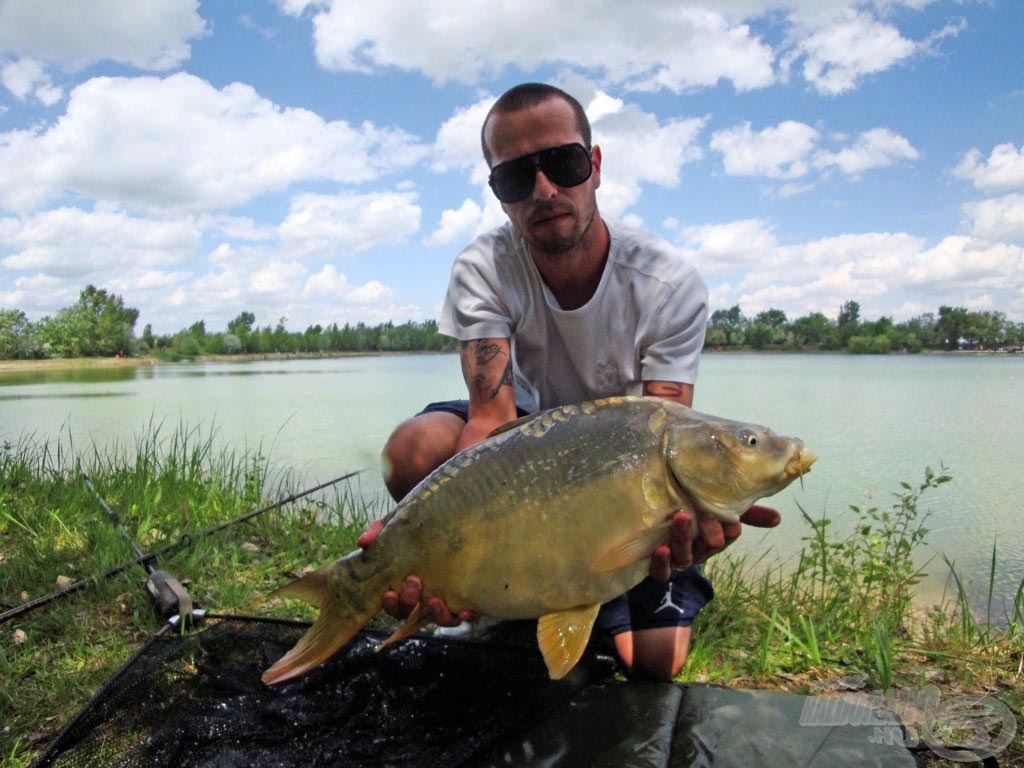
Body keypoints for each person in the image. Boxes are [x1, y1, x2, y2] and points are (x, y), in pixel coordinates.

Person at [363, 82, 779, 680]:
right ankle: (493, 588)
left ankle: (583, 592)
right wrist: (416, 532)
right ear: (498, 195)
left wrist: (699, 514)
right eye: (515, 178)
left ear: (596, 165)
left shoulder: (666, 284)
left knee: (655, 664)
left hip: (624, 469)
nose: (544, 190)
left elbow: (663, 434)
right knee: (414, 450)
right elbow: (491, 422)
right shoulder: (484, 268)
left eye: (563, 163)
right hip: (528, 443)